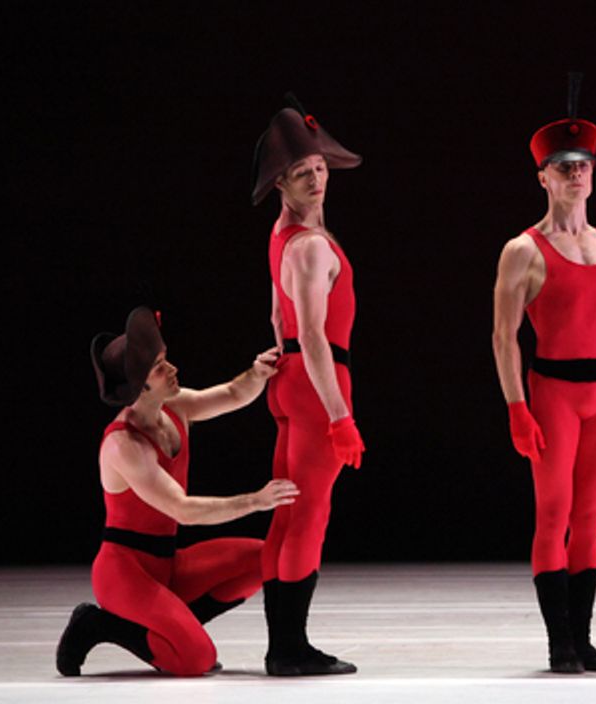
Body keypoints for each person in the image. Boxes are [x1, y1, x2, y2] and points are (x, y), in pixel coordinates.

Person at [492, 79, 596, 674]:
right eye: (563, 166)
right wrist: (514, 406)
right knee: (552, 513)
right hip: (552, 390)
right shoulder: (522, 250)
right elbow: (504, 336)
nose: (575, 174)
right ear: (543, 177)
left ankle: (582, 637)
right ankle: (559, 642)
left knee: (591, 517)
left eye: (583, 165)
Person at [57, 306, 297, 676]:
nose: (172, 370)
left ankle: (176, 628)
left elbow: (233, 393)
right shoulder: (124, 445)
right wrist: (256, 500)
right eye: (159, 367)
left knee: (262, 560)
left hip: (168, 564)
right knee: (195, 660)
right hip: (125, 572)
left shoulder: (175, 405)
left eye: (166, 359)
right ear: (140, 386)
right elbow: (183, 510)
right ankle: (98, 625)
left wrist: (258, 372)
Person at [249, 94, 365, 676]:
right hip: (319, 382)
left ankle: (281, 645)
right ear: (281, 184)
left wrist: (281, 360)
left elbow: (278, 315)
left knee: (288, 513)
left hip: (290, 382)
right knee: (309, 515)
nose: (316, 178)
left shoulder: (281, 237)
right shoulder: (314, 245)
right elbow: (316, 335)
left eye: (318, 167)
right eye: (302, 173)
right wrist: (339, 415)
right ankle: (290, 648)